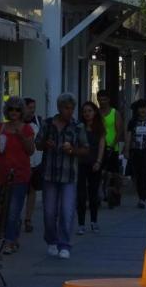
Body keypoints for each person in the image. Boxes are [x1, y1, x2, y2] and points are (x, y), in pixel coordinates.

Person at [35, 93, 89, 259]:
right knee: (49, 212)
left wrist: (72, 150)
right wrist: (45, 144)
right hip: (49, 175)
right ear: (59, 108)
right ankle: (51, 240)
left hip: (69, 176)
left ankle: (64, 244)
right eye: (66, 108)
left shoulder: (77, 127)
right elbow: (37, 145)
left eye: (72, 108)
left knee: (67, 211)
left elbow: (86, 149)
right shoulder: (47, 124)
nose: (69, 111)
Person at [0, 96, 36, 255]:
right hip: (1, 173)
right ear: (7, 111)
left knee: (13, 210)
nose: (14, 112)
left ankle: (9, 241)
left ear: (21, 112)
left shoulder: (26, 129)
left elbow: (31, 150)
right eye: (11, 109)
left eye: (17, 109)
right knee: (4, 210)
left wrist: (20, 136)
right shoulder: (0, 128)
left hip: (20, 174)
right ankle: (13, 237)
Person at [76, 101, 105, 234]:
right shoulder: (79, 127)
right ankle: (81, 224)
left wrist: (98, 161)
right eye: (85, 111)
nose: (87, 114)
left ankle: (94, 221)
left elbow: (101, 145)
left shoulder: (99, 127)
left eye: (90, 111)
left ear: (94, 112)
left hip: (94, 163)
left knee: (93, 194)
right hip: (81, 163)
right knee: (81, 195)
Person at [96, 90, 123, 208]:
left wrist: (113, 144)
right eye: (100, 100)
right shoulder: (96, 113)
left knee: (115, 173)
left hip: (113, 147)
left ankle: (117, 192)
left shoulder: (114, 113)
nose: (102, 102)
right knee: (101, 173)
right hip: (99, 147)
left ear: (108, 100)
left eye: (104, 99)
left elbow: (119, 130)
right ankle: (101, 194)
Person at [125, 99, 146, 209]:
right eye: (140, 107)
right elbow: (128, 136)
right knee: (136, 175)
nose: (142, 110)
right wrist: (126, 149)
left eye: (144, 107)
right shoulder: (133, 122)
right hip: (135, 150)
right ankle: (140, 194)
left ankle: (143, 198)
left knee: (145, 175)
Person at [22, 97, 43, 234]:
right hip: (22, 162)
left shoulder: (39, 120)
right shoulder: (17, 123)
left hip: (36, 162)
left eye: (33, 107)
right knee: (20, 191)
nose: (32, 110)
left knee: (32, 190)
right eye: (30, 107)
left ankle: (28, 219)